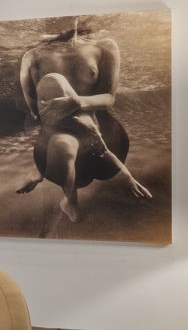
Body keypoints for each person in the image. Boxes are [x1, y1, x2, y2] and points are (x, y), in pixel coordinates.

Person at [13, 22, 153, 224]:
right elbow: (36, 113)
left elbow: (109, 98)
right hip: (57, 130)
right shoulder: (32, 56)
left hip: (95, 123)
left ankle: (42, 173)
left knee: (90, 142)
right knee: (63, 144)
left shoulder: (103, 46)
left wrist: (76, 102)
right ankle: (69, 200)